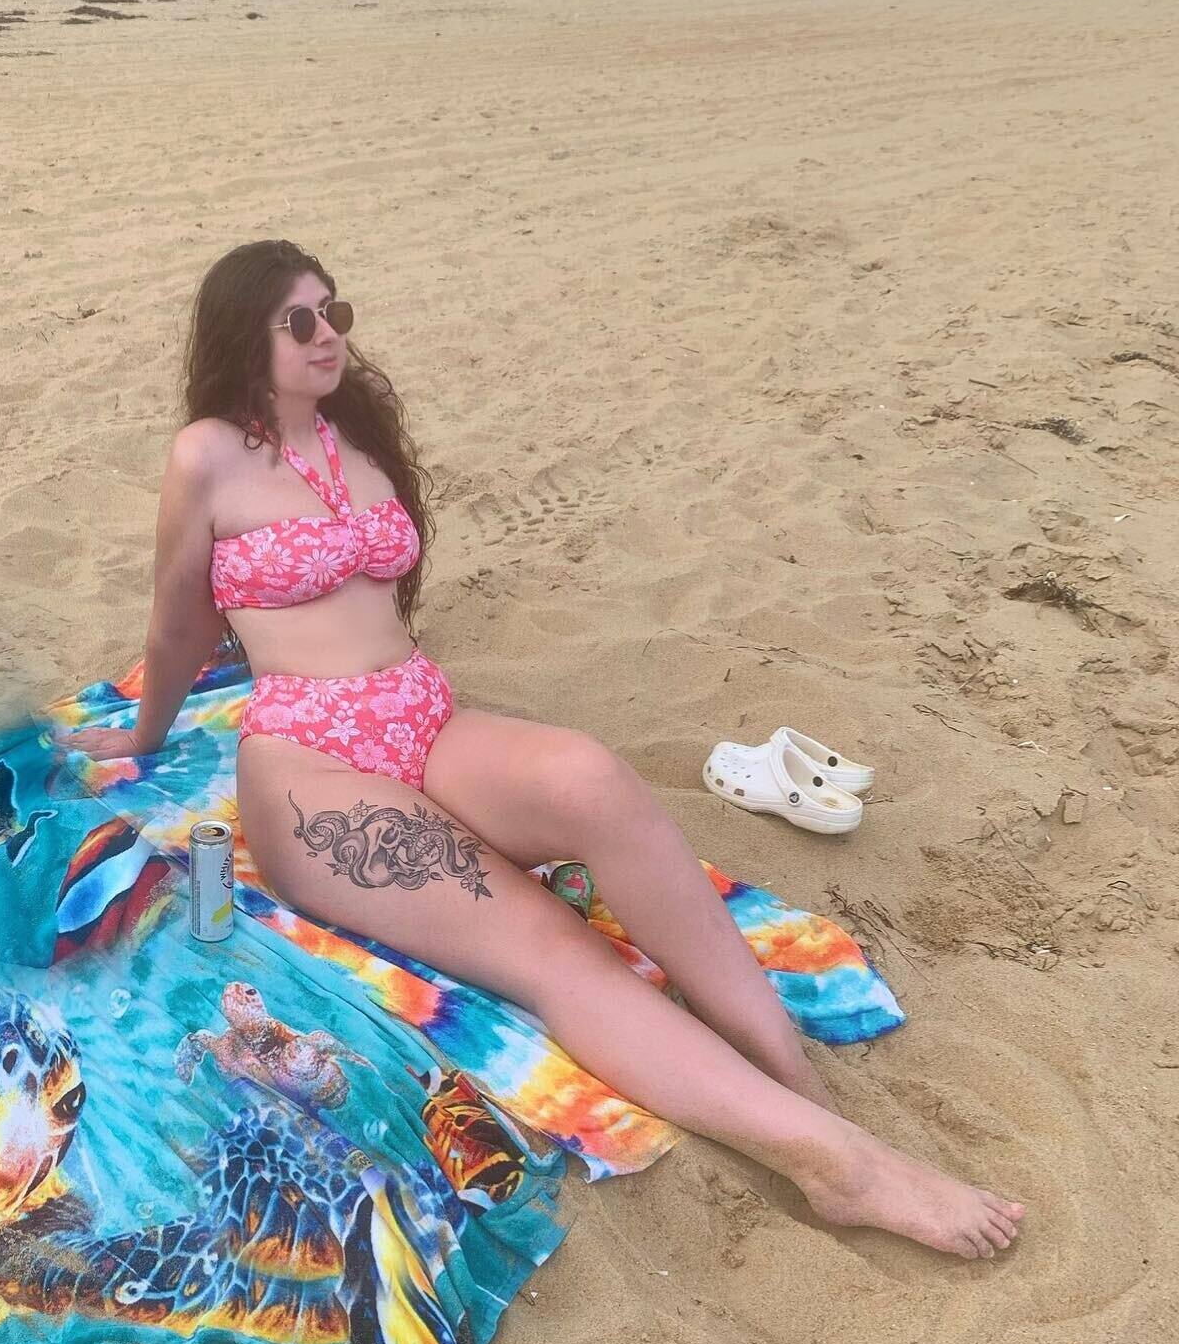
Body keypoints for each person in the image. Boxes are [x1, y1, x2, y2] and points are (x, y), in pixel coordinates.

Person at [55, 239, 1025, 1261]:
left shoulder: (352, 433)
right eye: (299, 321)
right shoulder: (206, 455)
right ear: (243, 336)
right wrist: (146, 732)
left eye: (334, 310)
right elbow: (178, 622)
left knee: (594, 777)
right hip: (310, 767)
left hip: (425, 720)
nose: (327, 333)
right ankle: (833, 1163)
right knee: (553, 945)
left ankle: (794, 1076)